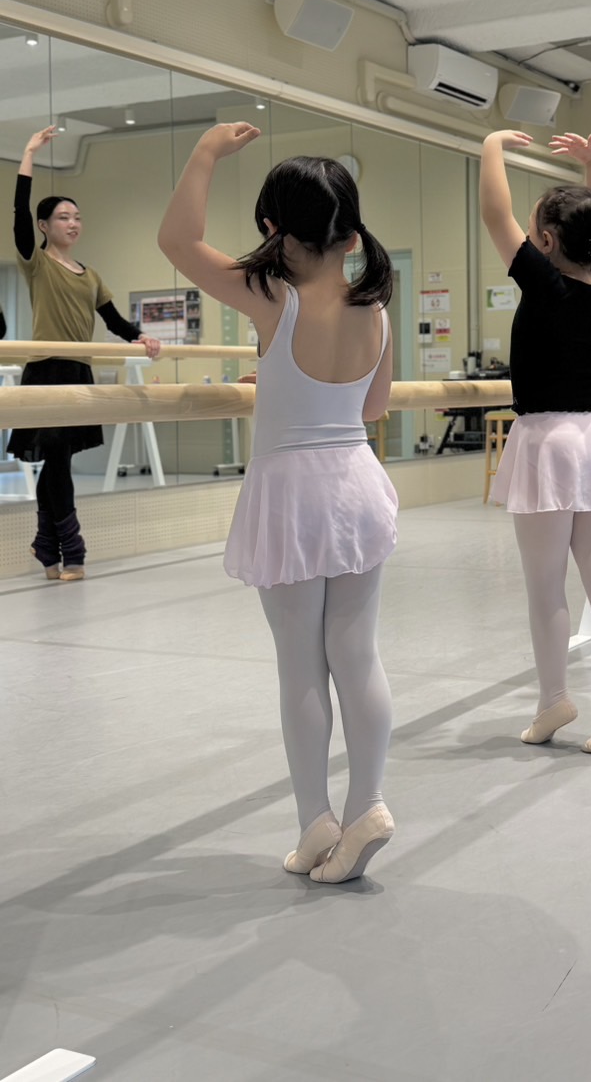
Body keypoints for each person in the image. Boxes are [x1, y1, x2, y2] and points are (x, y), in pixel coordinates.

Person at [159, 124, 398, 883]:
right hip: (356, 481)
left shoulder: (272, 297)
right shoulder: (376, 306)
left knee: (300, 667)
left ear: (272, 229)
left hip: (292, 492)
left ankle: (314, 822)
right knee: (356, 655)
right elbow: (373, 407)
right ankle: (368, 805)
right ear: (350, 233)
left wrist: (206, 151)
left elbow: (176, 240)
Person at [480, 128, 591, 754]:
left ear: (546, 241)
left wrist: (492, 145)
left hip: (547, 439)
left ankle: (554, 700)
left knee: (546, 585)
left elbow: (493, 212)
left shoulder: (544, 283)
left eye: (533, 229)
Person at [11, 125, 161, 582]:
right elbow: (19, 212)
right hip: (46, 370)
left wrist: (142, 337)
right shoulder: (36, 263)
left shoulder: (89, 274)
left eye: (77, 216)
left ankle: (47, 548)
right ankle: (71, 550)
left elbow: (113, 320)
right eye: (62, 217)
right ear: (44, 226)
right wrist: (29, 153)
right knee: (57, 460)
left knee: (59, 461)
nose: (73, 223)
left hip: (79, 372)